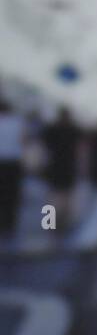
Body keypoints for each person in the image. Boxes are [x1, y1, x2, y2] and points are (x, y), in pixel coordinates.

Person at [40, 106, 81, 232]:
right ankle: (64, 222)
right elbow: (80, 149)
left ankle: (51, 222)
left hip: (55, 166)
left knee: (54, 195)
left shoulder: (51, 129)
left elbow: (45, 149)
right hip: (68, 166)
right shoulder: (74, 130)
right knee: (66, 196)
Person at [0, 93, 26, 239]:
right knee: (12, 195)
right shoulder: (18, 121)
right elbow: (23, 141)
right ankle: (10, 224)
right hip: (13, 163)